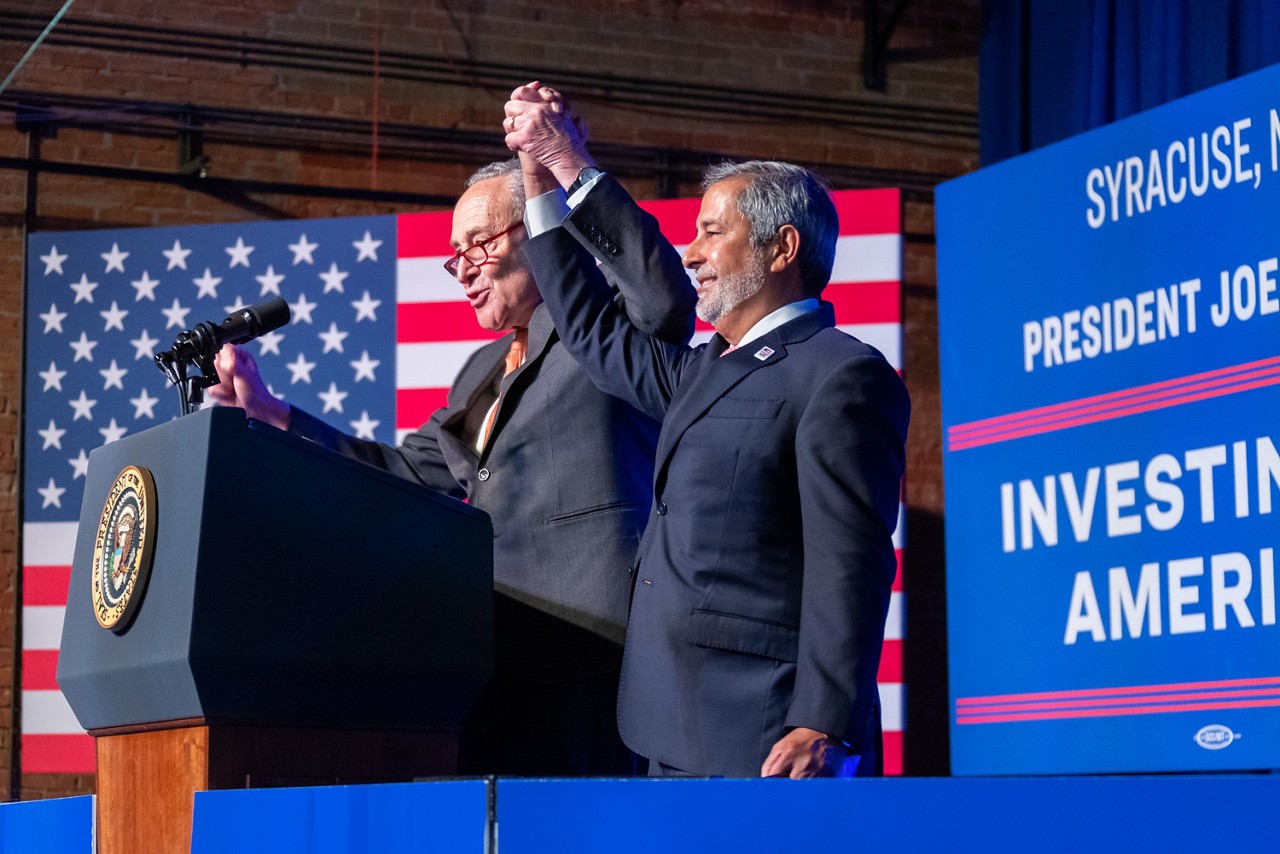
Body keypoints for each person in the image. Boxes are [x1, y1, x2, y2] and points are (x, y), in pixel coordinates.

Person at [207, 157, 697, 776]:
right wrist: (275, 415)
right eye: (454, 254)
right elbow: (406, 472)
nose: (462, 268)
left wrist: (568, 165)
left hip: (599, 651)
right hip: (494, 654)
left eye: (479, 244)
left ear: (542, 229)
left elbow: (665, 298)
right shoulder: (480, 370)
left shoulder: (606, 327)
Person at [505, 83, 910, 778]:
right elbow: (590, 329)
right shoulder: (700, 372)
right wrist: (541, 180)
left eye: (711, 233)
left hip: (768, 733)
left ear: (782, 248)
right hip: (667, 725)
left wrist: (824, 721)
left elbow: (850, 560)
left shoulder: (841, 374)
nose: (689, 254)